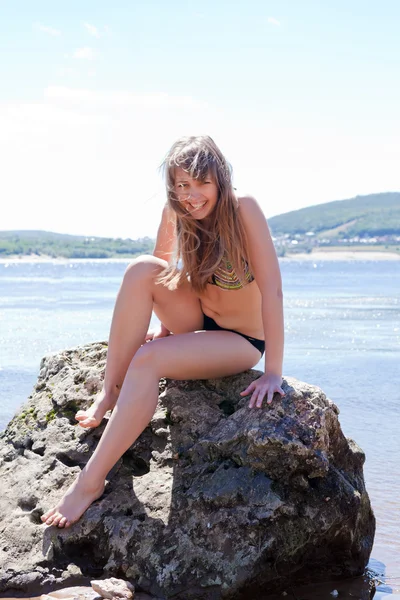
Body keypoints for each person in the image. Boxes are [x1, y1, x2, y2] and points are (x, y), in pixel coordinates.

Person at [41, 135, 284, 529]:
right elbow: (165, 275)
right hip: (199, 321)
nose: (192, 195)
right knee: (140, 268)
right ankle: (110, 392)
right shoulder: (177, 212)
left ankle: (90, 482)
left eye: (201, 183)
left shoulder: (245, 209)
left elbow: (272, 288)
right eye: (182, 185)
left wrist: (273, 370)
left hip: (241, 340)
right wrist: (167, 331)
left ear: (220, 179)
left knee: (149, 359)